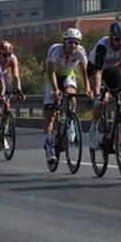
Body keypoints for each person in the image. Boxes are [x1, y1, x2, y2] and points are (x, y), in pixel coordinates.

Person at [86, 20, 121, 158]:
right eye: (117, 39)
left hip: (113, 69)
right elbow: (97, 72)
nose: (120, 43)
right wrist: (97, 93)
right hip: (95, 69)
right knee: (104, 99)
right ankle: (93, 131)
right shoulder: (103, 46)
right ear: (111, 37)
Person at [43, 28, 93, 164]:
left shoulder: (81, 52)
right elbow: (51, 72)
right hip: (53, 77)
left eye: (76, 43)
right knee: (50, 115)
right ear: (64, 41)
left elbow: (85, 73)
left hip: (67, 75)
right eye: (70, 42)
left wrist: (88, 89)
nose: (73, 46)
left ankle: (70, 122)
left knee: (71, 96)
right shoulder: (55, 50)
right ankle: (49, 148)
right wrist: (55, 90)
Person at [0, 40, 27, 106]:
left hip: (3, 75)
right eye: (5, 55)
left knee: (6, 104)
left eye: (9, 54)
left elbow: (16, 76)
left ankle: (6, 114)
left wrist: (19, 91)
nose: (7, 57)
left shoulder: (12, 59)